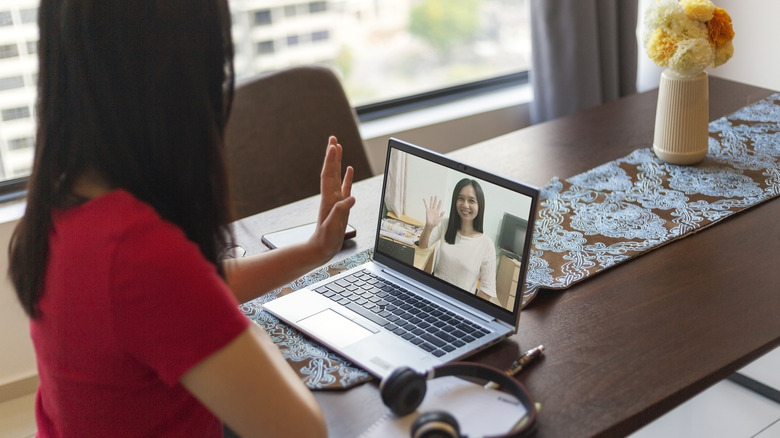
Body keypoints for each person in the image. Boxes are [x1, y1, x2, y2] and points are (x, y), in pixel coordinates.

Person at [7, 1, 354, 437]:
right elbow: (302, 431)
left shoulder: (62, 203)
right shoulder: (139, 254)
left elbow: (186, 295)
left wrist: (312, 252)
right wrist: (249, 335)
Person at [418, 178, 497, 300]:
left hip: (461, 304)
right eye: (461, 198)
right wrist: (428, 227)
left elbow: (487, 290)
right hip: (434, 295)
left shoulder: (487, 245)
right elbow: (423, 245)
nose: (465, 205)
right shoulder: (446, 224)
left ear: (479, 206)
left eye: (471, 200)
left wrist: (467, 309)